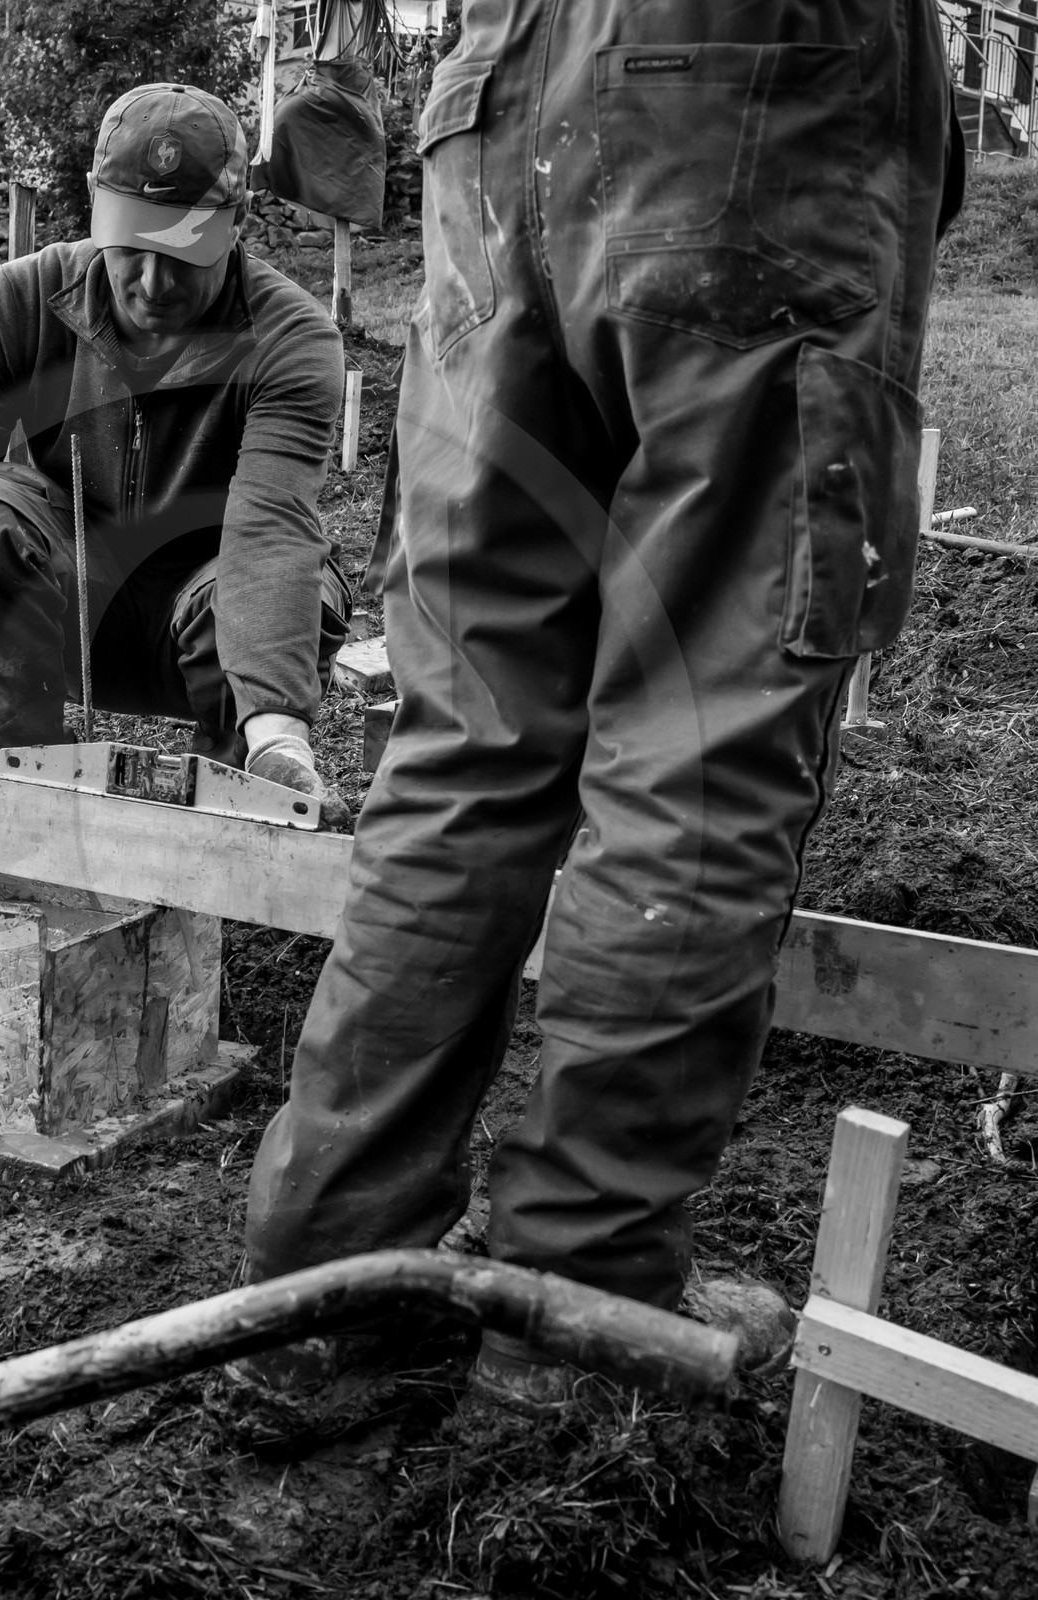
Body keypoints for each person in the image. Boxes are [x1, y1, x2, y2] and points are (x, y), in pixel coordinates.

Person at [238, 0, 964, 1401]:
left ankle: (327, 1291)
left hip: (499, 103)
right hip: (759, 91)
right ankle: (575, 1302)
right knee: (696, 741)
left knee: (465, 742)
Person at [0, 83, 351, 826]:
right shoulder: (21, 304)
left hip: (206, 628)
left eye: (185, 251)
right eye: (132, 246)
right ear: (95, 202)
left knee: (302, 584)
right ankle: (26, 805)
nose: (153, 284)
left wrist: (277, 735)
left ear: (239, 220)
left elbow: (272, 531)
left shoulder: (289, 340)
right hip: (60, 613)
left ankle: (231, 821)